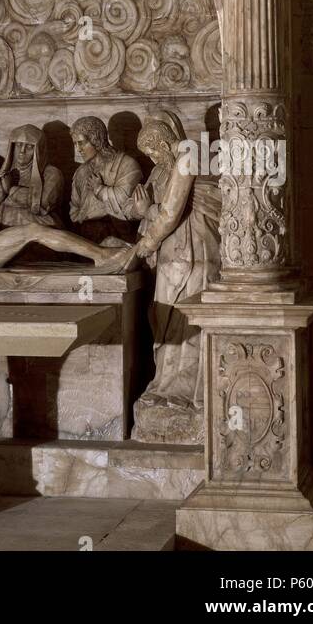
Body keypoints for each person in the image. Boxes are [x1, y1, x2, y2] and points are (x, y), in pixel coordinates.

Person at [102, 109, 221, 444]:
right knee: (164, 317)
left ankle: (188, 394)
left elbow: (169, 213)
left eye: (157, 147)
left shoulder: (188, 157)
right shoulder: (161, 169)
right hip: (171, 255)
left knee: (185, 318)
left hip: (193, 250)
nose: (154, 155)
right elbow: (143, 209)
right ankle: (165, 385)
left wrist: (143, 231)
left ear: (172, 139)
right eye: (149, 151)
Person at [69, 115, 143, 244]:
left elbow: (129, 202)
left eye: (81, 143)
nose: (78, 149)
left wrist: (100, 190)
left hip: (116, 233)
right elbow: (75, 205)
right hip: (84, 237)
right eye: (75, 144)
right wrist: (79, 219)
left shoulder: (126, 164)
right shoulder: (81, 171)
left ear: (96, 140)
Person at [0, 124, 64, 229]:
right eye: (19, 145)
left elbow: (42, 204)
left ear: (39, 150)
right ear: (12, 147)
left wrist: (9, 190)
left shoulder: (51, 174)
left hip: (34, 229)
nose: (22, 151)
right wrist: (0, 192)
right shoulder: (5, 172)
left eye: (29, 147)